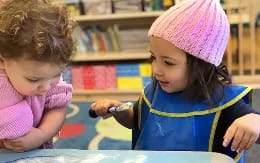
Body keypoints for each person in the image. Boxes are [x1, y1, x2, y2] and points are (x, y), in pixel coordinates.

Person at [90, 0, 260, 162]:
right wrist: (119, 110)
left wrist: (254, 121)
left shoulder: (224, 101)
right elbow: (137, 120)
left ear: (202, 65)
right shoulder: (154, 91)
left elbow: (255, 129)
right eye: (153, 58)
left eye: (168, 62)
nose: (156, 69)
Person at [0, 0, 74, 152]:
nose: (46, 87)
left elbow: (58, 109)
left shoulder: (46, 79)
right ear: (2, 61)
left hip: (36, 149)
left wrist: (41, 135)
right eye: (33, 79)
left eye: (57, 74)